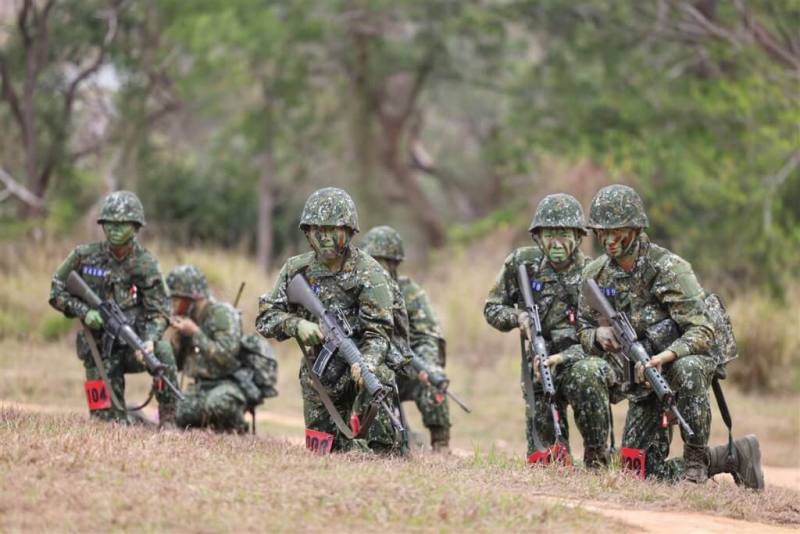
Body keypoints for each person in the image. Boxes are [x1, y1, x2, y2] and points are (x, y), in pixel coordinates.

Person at [578, 184, 763, 488]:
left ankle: (695, 462)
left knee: (686, 369)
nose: (609, 240)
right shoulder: (595, 275)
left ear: (636, 229)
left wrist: (667, 356)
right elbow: (581, 327)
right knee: (635, 472)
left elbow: (703, 330)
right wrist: (597, 335)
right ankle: (732, 456)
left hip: (682, 363)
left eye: (618, 231)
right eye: (602, 231)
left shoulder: (669, 268)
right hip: (642, 377)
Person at [255, 187, 402, 454]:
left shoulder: (370, 273)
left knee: (379, 378)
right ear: (307, 233)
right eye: (316, 230)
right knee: (323, 453)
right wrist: (296, 325)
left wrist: (366, 363)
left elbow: (379, 335)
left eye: (332, 229)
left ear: (348, 231)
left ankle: (383, 448)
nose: (324, 237)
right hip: (320, 376)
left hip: (359, 370)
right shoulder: (296, 270)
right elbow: (265, 318)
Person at [484, 193, 615, 467]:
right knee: (546, 463)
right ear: (537, 236)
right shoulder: (522, 264)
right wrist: (519, 318)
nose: (556, 243)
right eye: (549, 235)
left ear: (579, 236)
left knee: (588, 374)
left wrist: (565, 358)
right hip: (539, 366)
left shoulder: (594, 273)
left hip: (582, 361)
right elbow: (492, 309)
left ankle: (597, 456)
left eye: (564, 234)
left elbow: (606, 336)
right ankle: (557, 453)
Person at [49, 190, 178, 426]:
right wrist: (84, 312)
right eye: (109, 223)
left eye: (122, 224)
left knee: (162, 352)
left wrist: (149, 340)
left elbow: (160, 310)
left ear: (136, 227)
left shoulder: (146, 264)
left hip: (133, 345)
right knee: (105, 423)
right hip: (99, 350)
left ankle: (169, 422)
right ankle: (127, 419)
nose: (115, 229)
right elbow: (56, 289)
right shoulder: (83, 257)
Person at [362, 225, 451, 452]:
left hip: (407, 367)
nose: (380, 268)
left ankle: (440, 444)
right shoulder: (356, 290)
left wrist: (428, 366)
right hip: (369, 366)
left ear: (395, 264)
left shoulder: (410, 293)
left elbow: (428, 336)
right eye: (374, 261)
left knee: (432, 381)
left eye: (386, 261)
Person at [166, 265, 276, 433]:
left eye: (176, 299)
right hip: (201, 386)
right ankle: (208, 423)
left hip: (229, 383)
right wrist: (176, 341)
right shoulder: (189, 318)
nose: (173, 305)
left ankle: (237, 428)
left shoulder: (222, 314)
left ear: (191, 299)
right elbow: (177, 366)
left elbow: (226, 357)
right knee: (179, 413)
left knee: (218, 404)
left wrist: (195, 334)